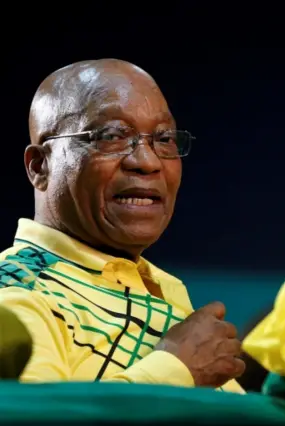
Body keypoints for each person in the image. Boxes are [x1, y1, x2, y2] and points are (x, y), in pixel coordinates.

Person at [0, 59, 245, 391]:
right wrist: (176, 369)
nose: (147, 162)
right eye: (112, 135)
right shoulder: (17, 293)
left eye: (164, 138)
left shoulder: (159, 286)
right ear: (39, 166)